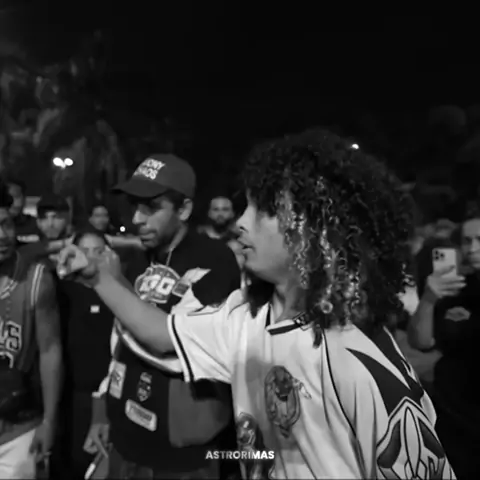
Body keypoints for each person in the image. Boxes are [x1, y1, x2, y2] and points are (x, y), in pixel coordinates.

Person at [59, 130, 455, 479]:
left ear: (314, 229)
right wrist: (98, 277)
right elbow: (161, 333)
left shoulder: (360, 359)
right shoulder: (246, 318)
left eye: (262, 210)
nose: (240, 223)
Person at [85, 154, 241, 478]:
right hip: (123, 443)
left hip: (183, 460)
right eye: (135, 206)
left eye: (151, 208)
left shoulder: (216, 260)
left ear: (183, 210)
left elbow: (171, 344)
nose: (137, 218)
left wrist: (107, 282)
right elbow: (119, 340)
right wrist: (102, 408)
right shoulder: (141, 258)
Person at [408, 211, 480, 478]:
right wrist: (429, 299)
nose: (472, 248)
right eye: (466, 241)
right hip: (454, 415)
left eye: (479, 240)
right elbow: (421, 341)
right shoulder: (454, 288)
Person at [0, 181, 62, 478]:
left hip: (19, 430)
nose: (2, 235)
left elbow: (50, 351)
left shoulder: (37, 279)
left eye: (6, 224)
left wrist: (49, 421)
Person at [56, 229, 115, 478]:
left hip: (107, 397)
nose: (90, 257)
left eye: (98, 251)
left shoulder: (120, 295)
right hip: (71, 397)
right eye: (84, 251)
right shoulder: (60, 291)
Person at [6, 178, 38, 244]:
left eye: (16, 197)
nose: (12, 203)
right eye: (7, 198)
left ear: (24, 199)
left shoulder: (35, 225)